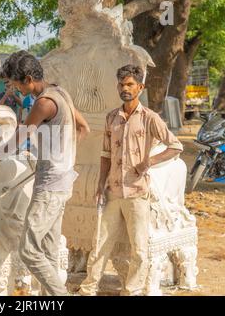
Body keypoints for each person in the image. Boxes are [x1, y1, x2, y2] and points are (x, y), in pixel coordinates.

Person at [0, 50, 90, 296]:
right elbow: (83, 127)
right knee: (49, 250)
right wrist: (63, 156)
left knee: (29, 251)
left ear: (28, 79)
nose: (15, 90)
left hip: (50, 187)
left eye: (15, 84)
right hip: (62, 181)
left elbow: (14, 143)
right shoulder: (61, 92)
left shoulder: (44, 103)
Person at [78, 65, 184, 296]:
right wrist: (99, 185)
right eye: (121, 85)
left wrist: (148, 162)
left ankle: (132, 290)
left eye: (130, 85)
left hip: (137, 193)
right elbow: (105, 155)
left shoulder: (150, 118)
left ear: (140, 87)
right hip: (113, 192)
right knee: (100, 244)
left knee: (139, 248)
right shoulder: (111, 117)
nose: (125, 89)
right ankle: (87, 289)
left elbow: (175, 146)